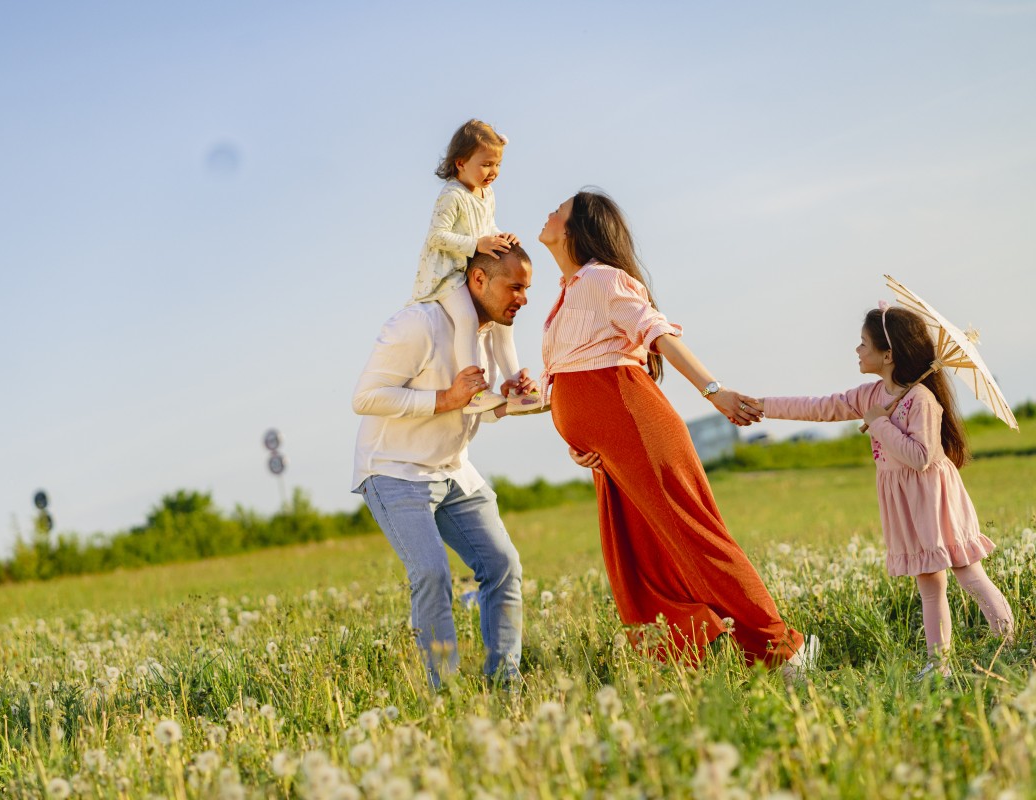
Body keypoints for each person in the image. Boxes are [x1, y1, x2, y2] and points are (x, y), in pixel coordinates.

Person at [536, 189, 817, 676]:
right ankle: (695, 649)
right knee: (636, 553)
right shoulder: (567, 291)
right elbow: (569, 378)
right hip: (611, 447)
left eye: (558, 209)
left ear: (578, 228)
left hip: (637, 425)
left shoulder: (604, 280)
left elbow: (657, 334)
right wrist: (579, 440)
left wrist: (714, 391)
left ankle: (782, 652)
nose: (548, 212)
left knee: (694, 536)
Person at [748, 304, 1015, 678]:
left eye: (863, 344)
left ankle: (1008, 640)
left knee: (966, 571)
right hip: (906, 502)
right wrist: (762, 407)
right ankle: (938, 665)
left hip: (935, 499)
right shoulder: (871, 394)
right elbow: (820, 407)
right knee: (929, 583)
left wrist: (879, 425)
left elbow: (919, 457)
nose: (857, 351)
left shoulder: (922, 400)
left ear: (888, 354)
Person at [353, 246, 536, 686]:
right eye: (514, 286)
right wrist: (445, 399)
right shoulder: (417, 324)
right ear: (478, 280)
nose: (523, 299)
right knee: (432, 572)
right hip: (393, 469)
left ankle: (505, 684)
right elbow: (366, 397)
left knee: (504, 564)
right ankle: (445, 693)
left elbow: (479, 407)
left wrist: (510, 400)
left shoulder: (492, 333)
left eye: (527, 289)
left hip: (454, 469)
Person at [411, 118, 547, 417]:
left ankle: (516, 389)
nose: (493, 172)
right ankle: (475, 390)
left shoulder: (487, 194)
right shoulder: (452, 195)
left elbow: (487, 227)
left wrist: (500, 235)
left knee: (502, 327)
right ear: (460, 163)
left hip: (474, 270)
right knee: (467, 318)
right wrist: (477, 245)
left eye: (497, 165)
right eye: (486, 164)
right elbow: (436, 236)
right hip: (447, 273)